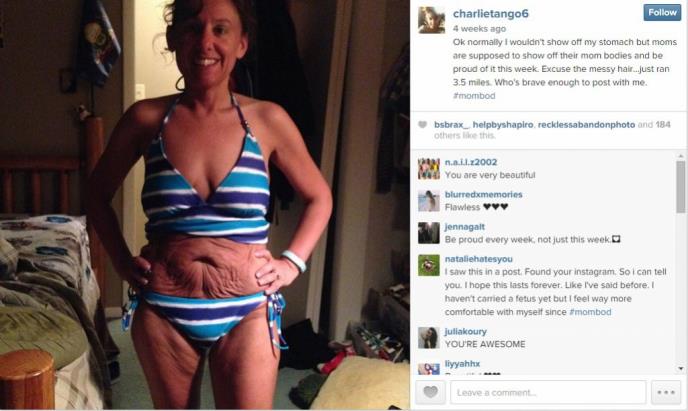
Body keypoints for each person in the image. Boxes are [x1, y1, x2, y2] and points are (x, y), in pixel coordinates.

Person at [86, 0, 332, 408]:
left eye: (221, 29)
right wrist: (121, 261)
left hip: (246, 311)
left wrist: (292, 262)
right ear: (173, 38)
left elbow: (319, 196)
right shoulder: (145, 119)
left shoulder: (268, 120)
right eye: (191, 27)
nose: (205, 42)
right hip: (164, 311)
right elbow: (96, 195)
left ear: (242, 44)